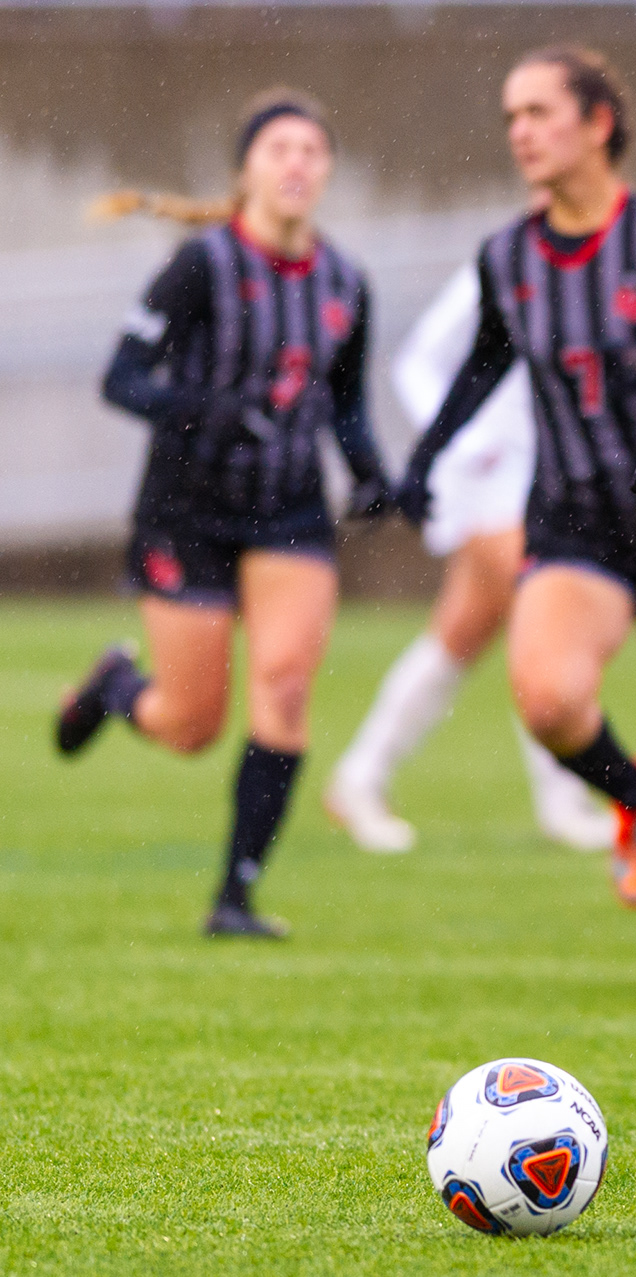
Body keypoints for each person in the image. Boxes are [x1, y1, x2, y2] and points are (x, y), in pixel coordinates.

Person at [395, 46, 636, 993]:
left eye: (539, 112)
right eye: (511, 116)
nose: (520, 132)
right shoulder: (509, 255)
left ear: (598, 124)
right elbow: (482, 367)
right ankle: (630, 794)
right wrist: (422, 466)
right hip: (574, 522)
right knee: (549, 700)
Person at [58, 90, 393, 939]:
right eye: (278, 149)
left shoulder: (346, 282)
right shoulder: (201, 266)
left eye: (311, 151)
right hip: (188, 511)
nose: (296, 164)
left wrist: (373, 477)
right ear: (246, 169)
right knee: (191, 725)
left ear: (327, 170)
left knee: (285, 685)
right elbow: (121, 378)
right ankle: (115, 687)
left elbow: (346, 406)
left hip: (289, 511)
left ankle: (235, 898)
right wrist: (201, 411)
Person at [325, 257, 615, 855]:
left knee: (461, 633)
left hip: (545, 475)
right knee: (545, 620)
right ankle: (563, 800)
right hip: (488, 478)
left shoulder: (602, 263)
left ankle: (360, 775)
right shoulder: (506, 263)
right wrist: (470, 442)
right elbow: (417, 361)